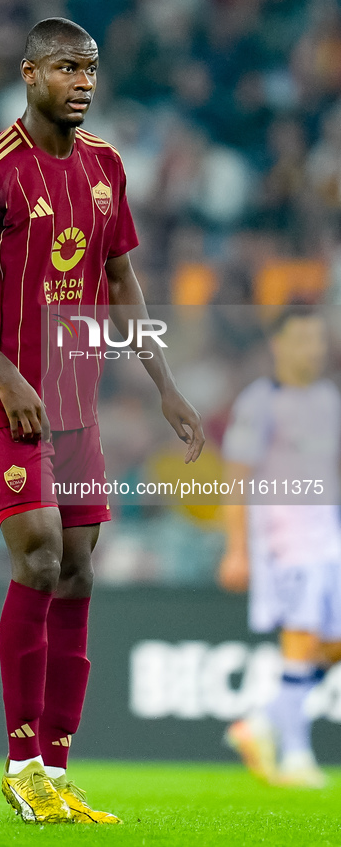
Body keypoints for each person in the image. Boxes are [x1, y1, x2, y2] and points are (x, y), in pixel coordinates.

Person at [0, 17, 204, 824]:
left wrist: (164, 382)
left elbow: (121, 279)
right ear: (28, 74)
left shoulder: (106, 167)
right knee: (41, 554)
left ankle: (53, 764)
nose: (82, 81)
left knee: (79, 567)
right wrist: (6, 371)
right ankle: (17, 762)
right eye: (65, 68)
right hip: (1, 400)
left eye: (89, 68)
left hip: (72, 404)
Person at [219, 306, 341, 788]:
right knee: (301, 637)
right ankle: (295, 756)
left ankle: (263, 722)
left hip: (327, 535)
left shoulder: (330, 398)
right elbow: (235, 478)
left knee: (329, 644)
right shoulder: (260, 402)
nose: (314, 348)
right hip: (284, 539)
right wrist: (237, 549)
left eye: (319, 339)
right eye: (303, 340)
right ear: (279, 345)